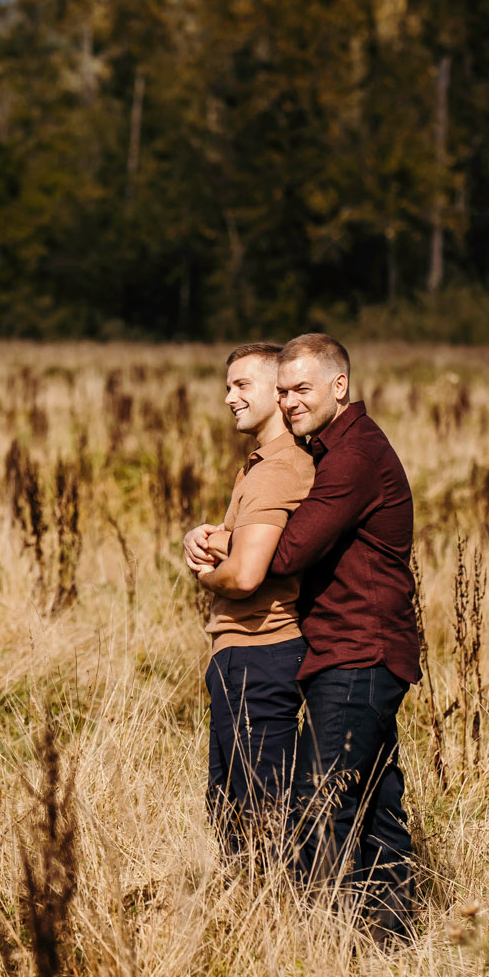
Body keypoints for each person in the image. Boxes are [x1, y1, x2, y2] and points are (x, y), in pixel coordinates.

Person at [267, 333, 420, 941]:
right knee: (377, 804)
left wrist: (231, 542)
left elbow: (291, 552)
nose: (288, 403)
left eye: (301, 389)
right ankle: (393, 940)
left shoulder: (354, 456)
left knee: (320, 800)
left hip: (359, 652)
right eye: (282, 392)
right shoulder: (338, 448)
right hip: (361, 652)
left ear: (340, 386)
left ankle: (324, 943)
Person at [180, 343, 316, 866]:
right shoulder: (259, 467)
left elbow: (244, 576)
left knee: (262, 809)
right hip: (246, 653)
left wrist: (207, 568)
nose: (229, 397)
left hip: (260, 653)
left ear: (278, 396)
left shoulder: (277, 470)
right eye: (227, 385)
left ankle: (287, 927)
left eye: (243, 386)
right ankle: (251, 928)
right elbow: (238, 545)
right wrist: (210, 536)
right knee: (232, 806)